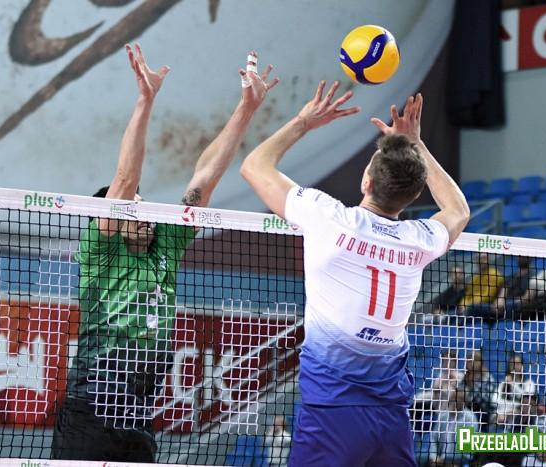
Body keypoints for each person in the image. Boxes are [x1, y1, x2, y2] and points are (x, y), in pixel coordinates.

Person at [51, 44, 278, 462]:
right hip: (92, 405)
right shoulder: (101, 252)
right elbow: (124, 178)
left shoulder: (166, 247)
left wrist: (246, 108)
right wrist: (145, 99)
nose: (142, 213)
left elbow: (203, 180)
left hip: (140, 411)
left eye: (144, 205)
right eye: (130, 208)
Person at [241, 88, 469, 467]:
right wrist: (416, 145)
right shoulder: (419, 240)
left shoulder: (329, 219)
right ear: (415, 194)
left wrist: (304, 122)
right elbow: (458, 210)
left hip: (332, 411)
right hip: (391, 416)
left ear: (367, 182)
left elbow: (254, 166)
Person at [429, 388, 479, 467]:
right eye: (453, 398)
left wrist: (444, 460)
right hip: (439, 459)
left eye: (458, 399)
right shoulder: (443, 415)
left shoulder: (470, 419)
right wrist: (433, 457)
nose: (455, 401)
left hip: (460, 459)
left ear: (465, 402)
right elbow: (433, 439)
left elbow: (467, 450)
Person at [461, 350, 497, 428]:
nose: (471, 363)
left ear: (480, 363)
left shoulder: (487, 378)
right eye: (468, 361)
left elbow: (485, 399)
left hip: (482, 411)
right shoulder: (464, 377)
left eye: (474, 360)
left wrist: (468, 396)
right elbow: (459, 394)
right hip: (466, 409)